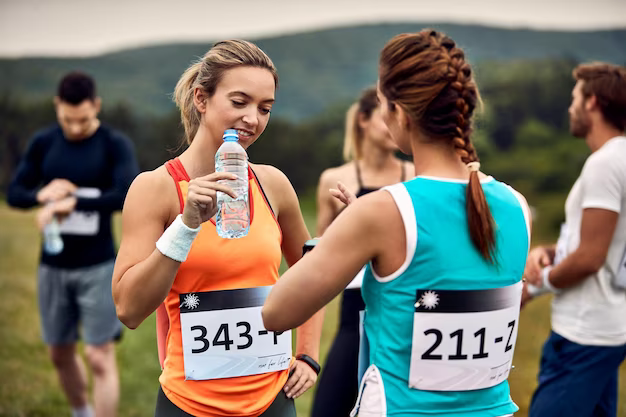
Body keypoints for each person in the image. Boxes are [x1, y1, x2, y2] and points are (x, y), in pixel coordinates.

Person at [263, 29, 531, 417]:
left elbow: (276, 313)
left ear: (400, 114)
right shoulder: (516, 206)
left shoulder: (380, 213)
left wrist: (353, 234)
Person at [111, 40, 323, 417]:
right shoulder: (155, 189)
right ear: (201, 99)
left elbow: (313, 272)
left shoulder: (272, 184)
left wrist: (307, 354)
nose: (253, 119)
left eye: (265, 108)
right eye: (239, 102)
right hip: (190, 405)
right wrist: (187, 224)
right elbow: (128, 309)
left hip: (272, 401)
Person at [7, 72, 138, 417]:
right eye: (68, 120)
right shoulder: (44, 142)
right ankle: (82, 412)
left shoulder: (114, 143)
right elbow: (14, 194)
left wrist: (75, 202)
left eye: (83, 120)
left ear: (96, 106)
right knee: (59, 353)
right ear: (57, 107)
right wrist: (41, 194)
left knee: (99, 354)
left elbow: (126, 195)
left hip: (98, 265)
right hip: (52, 266)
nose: (76, 128)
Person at [523, 63, 626, 417]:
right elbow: (607, 242)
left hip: (584, 334)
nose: (570, 108)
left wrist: (536, 286)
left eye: (574, 99)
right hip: (608, 330)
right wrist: (549, 251)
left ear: (593, 103)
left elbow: (590, 258)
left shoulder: (605, 164)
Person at [312, 87, 414, 417]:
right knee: (328, 408)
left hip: (405, 307)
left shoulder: (415, 175)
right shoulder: (335, 178)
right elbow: (319, 257)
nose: (394, 123)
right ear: (363, 120)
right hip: (354, 313)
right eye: (387, 114)